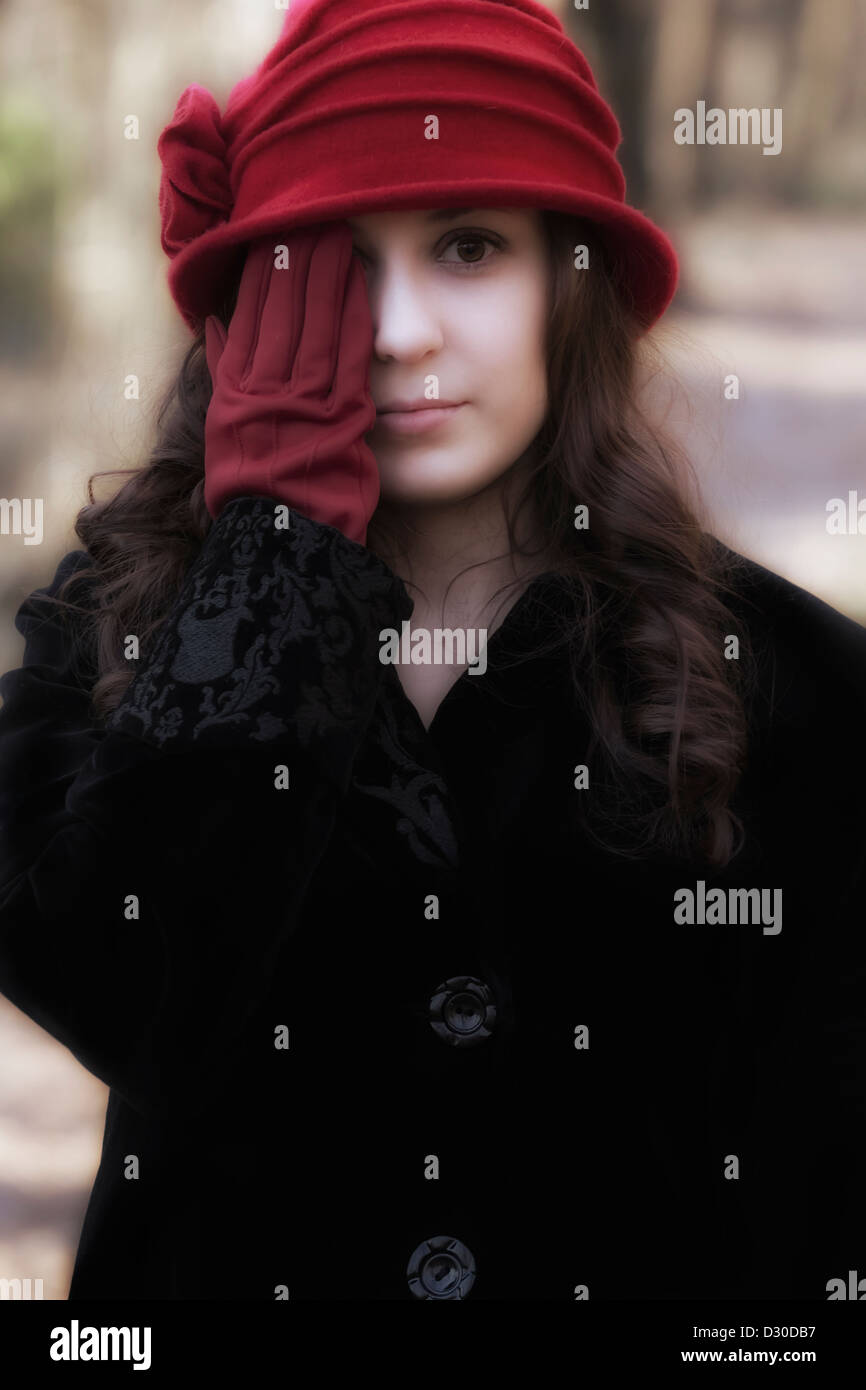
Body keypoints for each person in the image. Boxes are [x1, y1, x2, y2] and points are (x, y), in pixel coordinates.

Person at [1, 0, 865, 1303]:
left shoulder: (803, 690)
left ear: (569, 286)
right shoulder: (110, 634)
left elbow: (819, 1200)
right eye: (339, 266)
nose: (397, 333)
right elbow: (127, 992)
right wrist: (278, 563)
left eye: (466, 248)